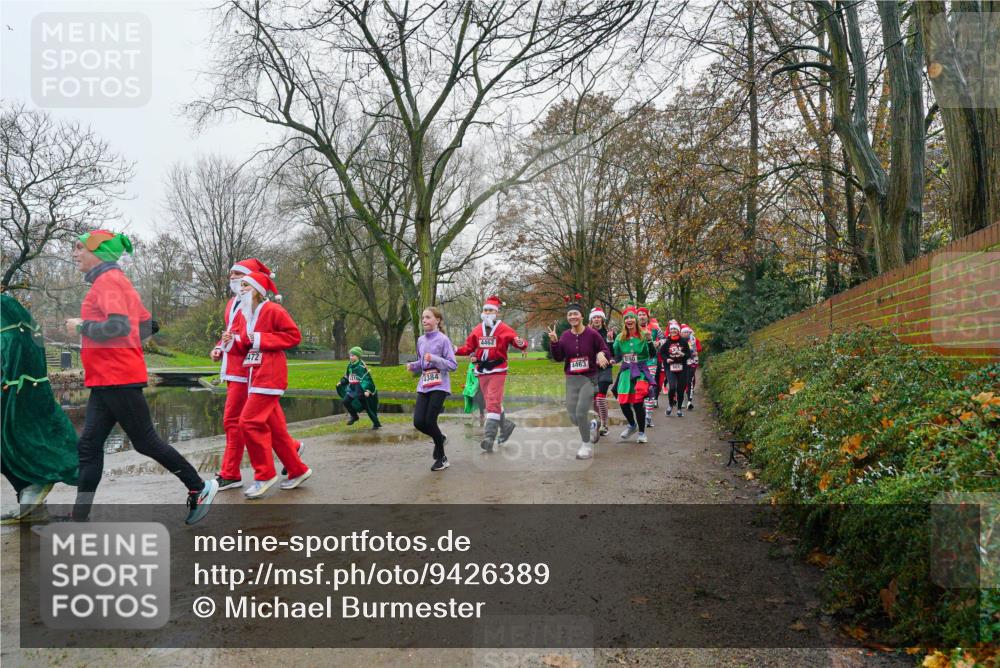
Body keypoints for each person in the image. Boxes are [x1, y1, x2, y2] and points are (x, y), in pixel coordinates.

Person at [65, 230, 217, 524]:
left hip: (116, 378)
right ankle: (78, 518)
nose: (74, 253)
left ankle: (199, 487)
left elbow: (120, 327)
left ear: (99, 252)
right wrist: (125, 349)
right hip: (107, 378)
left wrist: (82, 327)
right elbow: (149, 324)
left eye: (79, 247)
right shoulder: (117, 282)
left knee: (145, 441)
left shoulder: (108, 282)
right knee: (89, 447)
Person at [210, 258, 304, 491]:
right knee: (267, 422)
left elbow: (289, 335)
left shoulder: (266, 308)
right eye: (232, 276)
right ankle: (294, 462)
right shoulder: (236, 304)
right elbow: (235, 332)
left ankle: (239, 473)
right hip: (244, 368)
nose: (233, 280)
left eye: (239, 277)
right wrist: (221, 347)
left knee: (241, 421)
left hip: (252, 371)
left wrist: (256, 340)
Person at [1, 294, 79, 524]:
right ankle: (29, 494)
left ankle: (32, 488)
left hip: (15, 388)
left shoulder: (6, 307)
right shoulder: (9, 306)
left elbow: (14, 345)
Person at [455, 295, 527, 453]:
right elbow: (467, 348)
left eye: (490, 310)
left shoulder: (504, 329)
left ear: (497, 313)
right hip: (481, 371)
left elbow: (518, 342)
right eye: (485, 310)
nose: (487, 313)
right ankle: (506, 426)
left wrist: (522, 344)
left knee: (493, 401)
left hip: (498, 370)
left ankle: (489, 438)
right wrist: (454, 350)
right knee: (490, 403)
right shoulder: (477, 329)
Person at [548, 296, 611, 460]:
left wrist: (600, 354)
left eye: (575, 314)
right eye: (569, 315)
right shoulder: (565, 336)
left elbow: (605, 349)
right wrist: (555, 342)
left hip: (589, 378)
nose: (572, 317)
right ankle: (592, 425)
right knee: (572, 414)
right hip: (571, 379)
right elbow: (558, 357)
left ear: (582, 316)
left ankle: (586, 445)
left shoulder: (592, 334)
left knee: (581, 411)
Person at [407, 307, 458, 471]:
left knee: (430, 421)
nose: (424, 320)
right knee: (418, 422)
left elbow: (452, 365)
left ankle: (442, 458)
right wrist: (413, 366)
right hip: (424, 385)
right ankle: (440, 437)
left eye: (428, 317)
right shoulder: (421, 340)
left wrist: (435, 359)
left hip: (440, 385)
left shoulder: (443, 340)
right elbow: (422, 363)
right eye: (423, 318)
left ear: (437, 320)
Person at [611, 306, 654, 444]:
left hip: (640, 372)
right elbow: (617, 355)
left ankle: (642, 433)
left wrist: (649, 340)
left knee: (637, 403)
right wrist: (612, 356)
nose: (629, 320)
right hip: (625, 372)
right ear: (624, 322)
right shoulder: (620, 337)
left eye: (631, 317)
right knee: (623, 402)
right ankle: (632, 425)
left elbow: (652, 354)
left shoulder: (643, 335)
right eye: (626, 318)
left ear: (635, 320)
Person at [588, 306, 616, 437]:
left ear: (602, 319)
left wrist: (611, 357)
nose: (597, 319)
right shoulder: (586, 334)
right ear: (591, 320)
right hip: (591, 370)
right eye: (594, 317)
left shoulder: (609, 333)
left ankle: (604, 424)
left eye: (599, 317)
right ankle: (597, 421)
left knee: (600, 398)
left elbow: (616, 352)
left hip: (605, 370)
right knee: (593, 400)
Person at [337, 347, 381, 429]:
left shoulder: (361, 366)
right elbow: (347, 376)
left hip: (361, 390)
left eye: (353, 355)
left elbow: (367, 379)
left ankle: (376, 423)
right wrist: (342, 382)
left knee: (368, 408)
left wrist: (367, 390)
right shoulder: (350, 365)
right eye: (350, 355)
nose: (351, 357)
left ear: (358, 356)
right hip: (352, 388)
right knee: (345, 401)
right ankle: (355, 417)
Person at [660, 322, 692, 417]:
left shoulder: (683, 341)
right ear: (669, 331)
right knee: (672, 387)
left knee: (680, 389)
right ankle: (670, 405)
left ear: (678, 331)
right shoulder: (667, 342)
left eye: (675, 329)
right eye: (671, 329)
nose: (673, 331)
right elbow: (662, 353)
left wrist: (683, 355)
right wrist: (667, 359)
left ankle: (678, 409)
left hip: (682, 368)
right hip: (670, 368)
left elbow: (688, 354)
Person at [637, 306, 662, 425]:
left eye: (643, 314)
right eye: (640, 314)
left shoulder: (655, 328)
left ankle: (648, 415)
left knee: (649, 387)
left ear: (647, 316)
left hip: (651, 361)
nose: (641, 317)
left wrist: (658, 342)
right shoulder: (632, 328)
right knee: (638, 387)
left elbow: (664, 339)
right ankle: (640, 412)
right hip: (636, 361)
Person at [681, 324, 702, 410]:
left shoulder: (694, 340)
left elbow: (699, 348)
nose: (686, 333)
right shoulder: (679, 341)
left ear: (690, 332)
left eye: (687, 332)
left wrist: (696, 351)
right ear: (681, 333)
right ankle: (681, 400)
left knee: (690, 380)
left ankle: (689, 401)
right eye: (684, 332)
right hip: (682, 363)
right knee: (682, 381)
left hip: (692, 362)